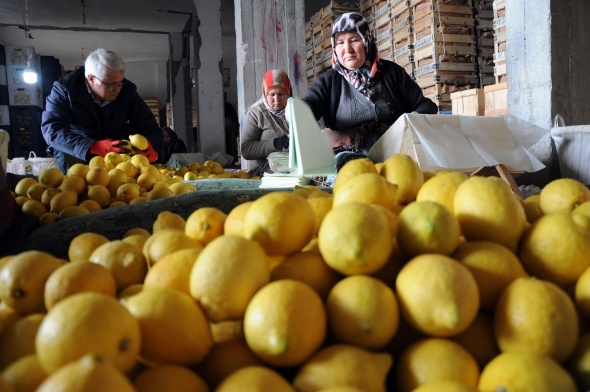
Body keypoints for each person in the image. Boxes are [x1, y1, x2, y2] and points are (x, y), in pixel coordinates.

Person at [303, 12, 438, 169]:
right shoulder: (329, 81)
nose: (347, 49)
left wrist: (407, 123)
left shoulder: (392, 73)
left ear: (366, 41)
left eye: (354, 40)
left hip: (395, 160)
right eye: (340, 42)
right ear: (334, 47)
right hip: (345, 164)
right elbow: (309, 107)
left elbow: (426, 106)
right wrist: (296, 110)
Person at [41, 48, 164, 173]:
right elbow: (52, 130)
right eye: (111, 85)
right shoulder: (65, 89)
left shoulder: (127, 90)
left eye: (120, 83)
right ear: (91, 79)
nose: (117, 89)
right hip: (81, 144)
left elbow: (148, 125)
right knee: (67, 156)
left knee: (137, 170)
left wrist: (155, 150)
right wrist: (92, 146)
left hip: (117, 143)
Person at [240, 69, 292, 176]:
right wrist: (275, 143)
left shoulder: (296, 108)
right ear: (264, 93)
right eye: (271, 95)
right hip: (264, 173)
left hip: (294, 168)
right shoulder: (255, 113)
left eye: (281, 94)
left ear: (289, 93)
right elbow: (246, 150)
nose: (277, 100)